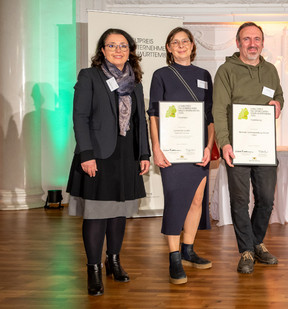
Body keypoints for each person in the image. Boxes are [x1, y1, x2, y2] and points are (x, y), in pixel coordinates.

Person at [66, 28, 150, 296]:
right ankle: (93, 269)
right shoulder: (89, 76)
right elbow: (80, 117)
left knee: (119, 212)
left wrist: (144, 154)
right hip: (99, 154)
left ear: (130, 50)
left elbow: (140, 122)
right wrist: (86, 154)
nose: (118, 50)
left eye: (123, 46)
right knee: (96, 214)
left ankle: (113, 260)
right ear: (102, 50)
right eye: (112, 46)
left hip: (127, 155)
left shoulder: (135, 80)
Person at [212, 22, 284, 274]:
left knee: (265, 199)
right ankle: (246, 250)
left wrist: (278, 104)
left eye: (257, 39)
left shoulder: (271, 70)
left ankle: (256, 243)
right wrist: (224, 143)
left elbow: (280, 96)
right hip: (237, 148)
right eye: (246, 39)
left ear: (263, 42)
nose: (252, 43)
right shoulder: (226, 70)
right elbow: (219, 109)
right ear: (238, 42)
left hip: (264, 147)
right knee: (240, 201)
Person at [148, 27, 215, 285]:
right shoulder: (161, 75)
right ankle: (174, 256)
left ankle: (188, 249)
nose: (180, 45)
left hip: (198, 149)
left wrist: (209, 146)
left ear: (192, 45)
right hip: (172, 150)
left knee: (197, 200)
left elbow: (210, 117)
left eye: (184, 41)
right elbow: (153, 113)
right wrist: (156, 147)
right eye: (175, 42)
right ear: (168, 47)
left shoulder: (203, 75)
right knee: (176, 200)